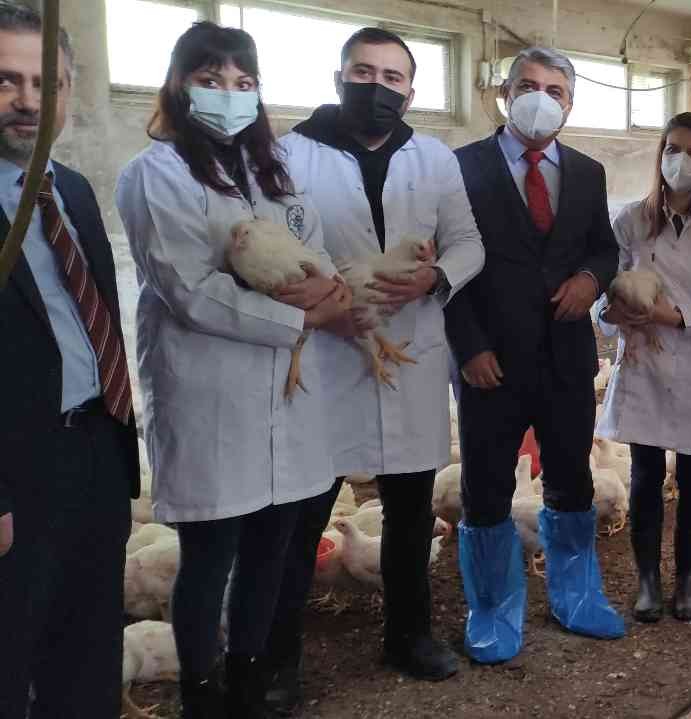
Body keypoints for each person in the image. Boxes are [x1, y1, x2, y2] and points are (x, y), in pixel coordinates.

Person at [116, 22, 350, 718]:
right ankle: (202, 693)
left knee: (270, 550)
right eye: (211, 79)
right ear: (179, 86)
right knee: (209, 553)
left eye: (243, 82)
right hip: (209, 392)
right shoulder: (154, 175)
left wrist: (328, 293)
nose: (229, 94)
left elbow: (316, 252)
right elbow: (191, 290)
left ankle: (248, 682)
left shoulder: (274, 172)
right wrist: (306, 315)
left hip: (286, 396)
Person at [264, 26, 485, 704]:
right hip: (325, 357)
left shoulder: (434, 158)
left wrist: (435, 279)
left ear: (410, 92)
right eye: (364, 72)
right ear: (339, 78)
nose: (377, 87)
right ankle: (278, 660)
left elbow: (468, 242)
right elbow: (271, 251)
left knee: (411, 509)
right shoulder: (289, 154)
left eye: (393, 77)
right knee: (303, 516)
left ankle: (409, 634)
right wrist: (321, 308)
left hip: (410, 353)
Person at [447, 45, 624, 658]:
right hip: (490, 361)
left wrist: (591, 280)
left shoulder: (588, 172)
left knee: (572, 477)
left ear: (570, 105)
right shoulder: (460, 167)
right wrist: (468, 346)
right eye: (527, 86)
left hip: (566, 357)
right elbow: (445, 264)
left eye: (555, 91)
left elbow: (604, 247)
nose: (540, 99)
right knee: (487, 485)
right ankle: (493, 610)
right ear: (504, 94)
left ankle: (577, 596)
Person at [0, 8, 140, 718]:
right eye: (7, 81)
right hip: (14, 472)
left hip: (95, 453)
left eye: (45, 83)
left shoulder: (75, 189)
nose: (29, 101)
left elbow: (96, 320)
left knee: (87, 653)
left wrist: (116, 451)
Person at [596, 111, 691, 622]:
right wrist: (614, 313)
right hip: (643, 361)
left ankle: (687, 576)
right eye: (672, 149)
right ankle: (647, 578)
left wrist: (669, 315)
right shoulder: (630, 220)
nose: (681, 161)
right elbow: (605, 290)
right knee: (643, 473)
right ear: (659, 154)